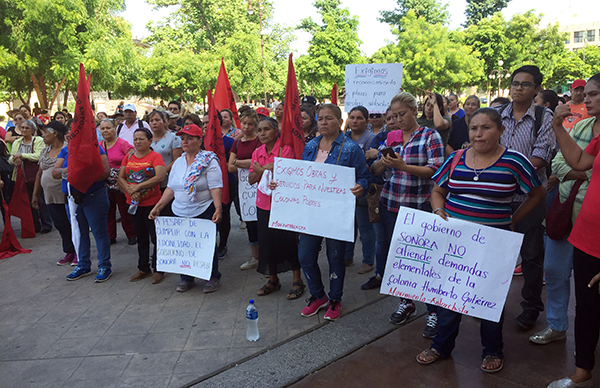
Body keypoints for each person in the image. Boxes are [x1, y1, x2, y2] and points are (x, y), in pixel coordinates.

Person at [415, 107, 544, 373]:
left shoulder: (515, 162)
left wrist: (514, 219)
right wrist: (439, 211)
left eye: (485, 128)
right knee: (448, 299)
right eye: (474, 128)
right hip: (454, 244)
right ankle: (441, 345)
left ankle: (493, 350)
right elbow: (438, 190)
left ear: (501, 130)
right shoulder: (456, 158)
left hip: (493, 245)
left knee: (488, 301)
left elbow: (537, 194)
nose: (478, 133)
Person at [371, 92, 445, 336]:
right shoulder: (391, 138)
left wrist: (403, 166)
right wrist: (384, 162)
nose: (398, 119)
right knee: (400, 258)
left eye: (402, 114)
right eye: (393, 116)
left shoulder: (429, 135)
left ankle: (433, 312)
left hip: (419, 207)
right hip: (391, 204)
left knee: (424, 261)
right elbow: (376, 170)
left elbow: (436, 170)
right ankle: (406, 302)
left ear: (414, 111)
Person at [546, 72, 600, 388]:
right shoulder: (595, 134)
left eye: (593, 94)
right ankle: (582, 371)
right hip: (586, 237)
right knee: (586, 307)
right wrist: (557, 127)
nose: (585, 98)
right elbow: (578, 160)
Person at [529, 94, 594, 347]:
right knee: (555, 271)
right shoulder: (580, 126)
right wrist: (587, 173)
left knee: (590, 282)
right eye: (586, 94)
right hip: (564, 213)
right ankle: (557, 325)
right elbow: (557, 163)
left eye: (594, 94)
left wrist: (577, 169)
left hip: (592, 221)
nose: (587, 99)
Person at [496, 65, 556, 330]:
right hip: (496, 198)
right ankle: (489, 302)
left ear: (537, 89)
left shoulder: (544, 117)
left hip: (529, 199)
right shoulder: (496, 114)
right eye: (515, 83)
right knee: (494, 255)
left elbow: (541, 157)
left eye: (525, 84)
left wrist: (504, 171)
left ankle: (531, 307)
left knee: (531, 258)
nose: (518, 88)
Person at [298, 104, 369, 321]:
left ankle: (335, 299)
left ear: (340, 122)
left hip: (337, 213)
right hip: (311, 211)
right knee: (305, 256)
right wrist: (281, 185)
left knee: (335, 257)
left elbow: (364, 177)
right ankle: (318, 295)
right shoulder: (310, 146)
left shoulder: (351, 148)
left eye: (329, 118)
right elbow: (302, 175)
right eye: (320, 118)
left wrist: (360, 187)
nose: (323, 122)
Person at [149, 124, 223, 293]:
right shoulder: (179, 162)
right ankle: (186, 277)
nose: (185, 142)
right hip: (180, 210)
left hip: (203, 208)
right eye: (182, 138)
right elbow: (171, 188)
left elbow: (215, 187)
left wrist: (218, 208)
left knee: (205, 245)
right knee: (184, 246)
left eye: (190, 138)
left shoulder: (208, 160)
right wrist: (158, 206)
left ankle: (213, 276)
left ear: (199, 140)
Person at [248, 117, 305, 299]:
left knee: (288, 241)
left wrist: (261, 170)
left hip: (284, 204)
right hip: (263, 204)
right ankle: (273, 279)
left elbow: (287, 175)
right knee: (266, 243)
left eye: (266, 129)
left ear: (275, 131)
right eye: (260, 130)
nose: (262, 133)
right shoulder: (257, 152)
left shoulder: (286, 149)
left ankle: (297, 280)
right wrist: (267, 169)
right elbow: (250, 179)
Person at [54, 136, 112, 282]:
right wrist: (69, 171)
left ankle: (104, 265)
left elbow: (105, 171)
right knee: (79, 232)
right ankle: (83, 264)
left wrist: (84, 177)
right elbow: (55, 172)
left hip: (93, 196)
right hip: (72, 199)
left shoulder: (95, 150)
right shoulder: (65, 151)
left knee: (99, 232)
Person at [119, 128, 166, 284]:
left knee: (156, 237)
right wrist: (130, 191)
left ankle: (159, 268)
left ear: (150, 141)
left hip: (152, 204)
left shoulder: (155, 156)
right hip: (133, 204)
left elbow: (160, 176)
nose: (138, 142)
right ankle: (143, 268)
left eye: (141, 139)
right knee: (141, 237)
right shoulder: (129, 156)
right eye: (135, 139)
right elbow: (121, 178)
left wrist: (138, 187)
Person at [31, 121, 77, 265]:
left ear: (55, 133)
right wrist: (35, 194)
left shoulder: (68, 149)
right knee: (60, 224)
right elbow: (39, 173)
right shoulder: (45, 150)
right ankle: (69, 251)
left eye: (45, 132)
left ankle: (78, 251)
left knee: (72, 224)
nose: (42, 135)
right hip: (49, 196)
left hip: (65, 194)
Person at [343, 106, 376, 273]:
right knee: (348, 225)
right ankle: (347, 257)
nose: (355, 121)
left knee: (365, 226)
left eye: (359, 118)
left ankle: (368, 260)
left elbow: (372, 166)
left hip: (362, 188)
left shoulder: (371, 139)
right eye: (352, 117)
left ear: (367, 121)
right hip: (344, 188)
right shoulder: (342, 137)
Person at [228, 110, 261, 271]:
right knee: (250, 223)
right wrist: (248, 163)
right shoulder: (238, 142)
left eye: (250, 124)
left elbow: (260, 164)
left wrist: (239, 162)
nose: (246, 127)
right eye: (244, 123)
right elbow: (230, 166)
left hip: (260, 186)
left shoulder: (260, 141)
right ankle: (255, 256)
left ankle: (266, 255)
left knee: (263, 222)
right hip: (245, 189)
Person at [8, 119, 51, 233]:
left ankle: (46, 224)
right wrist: (14, 159)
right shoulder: (17, 142)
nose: (24, 130)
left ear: (32, 130)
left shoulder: (38, 140)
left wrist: (22, 155)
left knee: (40, 199)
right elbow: (10, 158)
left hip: (35, 175)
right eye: (22, 128)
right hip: (21, 177)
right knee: (26, 201)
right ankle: (34, 224)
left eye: (27, 128)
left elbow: (38, 155)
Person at [99, 119, 137, 245]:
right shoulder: (99, 145)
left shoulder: (123, 144)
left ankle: (131, 234)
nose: (105, 131)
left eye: (108, 128)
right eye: (103, 128)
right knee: (107, 211)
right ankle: (110, 236)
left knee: (124, 210)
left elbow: (132, 159)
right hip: (105, 183)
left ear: (115, 129)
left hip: (121, 182)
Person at [148, 110, 183, 192]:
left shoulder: (173, 138)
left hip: (167, 181)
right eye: (151, 121)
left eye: (157, 120)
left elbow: (177, 160)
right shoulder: (147, 139)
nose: (154, 123)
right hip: (149, 181)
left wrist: (161, 172)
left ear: (164, 123)